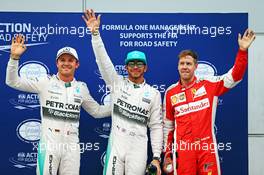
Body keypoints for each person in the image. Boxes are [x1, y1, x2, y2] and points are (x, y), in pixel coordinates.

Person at [5, 34, 111, 175]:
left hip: (72, 145)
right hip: (49, 144)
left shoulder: (81, 88)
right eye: (62, 60)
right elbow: (13, 81)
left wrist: (119, 105)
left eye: (70, 60)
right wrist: (14, 58)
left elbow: (97, 111)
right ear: (57, 63)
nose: (66, 63)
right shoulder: (45, 82)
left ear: (76, 64)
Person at [162, 29, 256, 175]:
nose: (185, 67)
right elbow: (168, 127)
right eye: (182, 63)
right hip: (184, 150)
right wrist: (167, 153)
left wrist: (242, 51)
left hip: (206, 147)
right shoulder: (170, 92)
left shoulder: (209, 84)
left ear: (196, 66)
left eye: (189, 63)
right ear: (177, 66)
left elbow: (234, 77)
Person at [82, 9, 163, 175]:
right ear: (125, 67)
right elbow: (103, 62)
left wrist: (156, 156)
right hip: (116, 146)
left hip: (139, 147)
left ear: (145, 68)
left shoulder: (154, 93)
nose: (135, 66)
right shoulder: (117, 84)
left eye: (139, 64)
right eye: (131, 63)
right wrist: (95, 35)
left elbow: (155, 126)